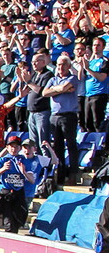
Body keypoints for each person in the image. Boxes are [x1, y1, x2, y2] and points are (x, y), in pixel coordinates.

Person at [43, 55, 84, 184]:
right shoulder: (53, 79)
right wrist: (60, 90)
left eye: (64, 64)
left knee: (71, 145)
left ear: (69, 66)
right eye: (59, 65)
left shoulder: (72, 78)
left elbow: (61, 88)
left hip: (68, 115)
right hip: (55, 116)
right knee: (58, 147)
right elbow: (44, 93)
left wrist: (55, 90)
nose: (61, 67)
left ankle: (73, 173)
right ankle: (60, 174)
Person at [0, 135, 38, 234]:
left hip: (19, 193)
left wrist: (23, 171)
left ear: (20, 148)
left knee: (19, 220)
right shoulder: (3, 160)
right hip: (7, 193)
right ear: (7, 147)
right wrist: (3, 169)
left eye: (16, 146)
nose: (14, 149)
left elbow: (32, 180)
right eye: (11, 146)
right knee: (9, 222)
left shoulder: (24, 160)